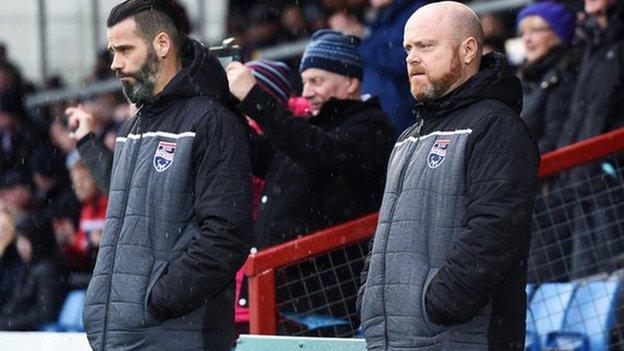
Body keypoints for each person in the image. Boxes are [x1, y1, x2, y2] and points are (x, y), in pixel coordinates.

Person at [66, 1, 252, 350]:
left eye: (124, 50)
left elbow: (227, 235)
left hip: (177, 336)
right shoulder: (131, 126)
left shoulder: (211, 120)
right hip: (121, 338)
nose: (115, 64)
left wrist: (157, 300)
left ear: (162, 45)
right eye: (112, 51)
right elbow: (123, 195)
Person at [358, 2, 539, 350]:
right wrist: (371, 296)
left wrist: (439, 303)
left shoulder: (496, 125)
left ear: (469, 49)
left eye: (426, 46)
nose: (412, 58)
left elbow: (496, 231)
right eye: (409, 48)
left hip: (461, 338)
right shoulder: (408, 137)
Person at [227, 29, 396, 330]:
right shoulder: (310, 129)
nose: (305, 92)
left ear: (350, 82)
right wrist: (224, 105)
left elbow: (321, 152)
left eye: (316, 81)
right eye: (304, 81)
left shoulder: (372, 127)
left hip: (329, 302)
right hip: (285, 300)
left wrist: (255, 99)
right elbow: (255, 152)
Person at [556, 0, 624, 279]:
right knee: (588, 280)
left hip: (612, 177)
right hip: (583, 178)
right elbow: (579, 114)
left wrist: (609, 162)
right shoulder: (594, 43)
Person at [331, 0, 428, 133]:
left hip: (404, 115)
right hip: (383, 114)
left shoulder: (416, 13)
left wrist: (359, 40)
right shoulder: (379, 16)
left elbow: (405, 61)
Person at [517, 1, 577, 154]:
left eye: (535, 31)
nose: (527, 39)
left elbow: (554, 138)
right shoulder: (528, 76)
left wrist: (519, 163)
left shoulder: (563, 75)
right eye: (523, 33)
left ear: (557, 34)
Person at [0, 216, 63, 331]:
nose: (21, 246)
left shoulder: (47, 271)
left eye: (25, 240)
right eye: (19, 240)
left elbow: (45, 312)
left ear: (36, 240)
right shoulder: (26, 267)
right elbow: (15, 304)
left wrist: (9, 323)